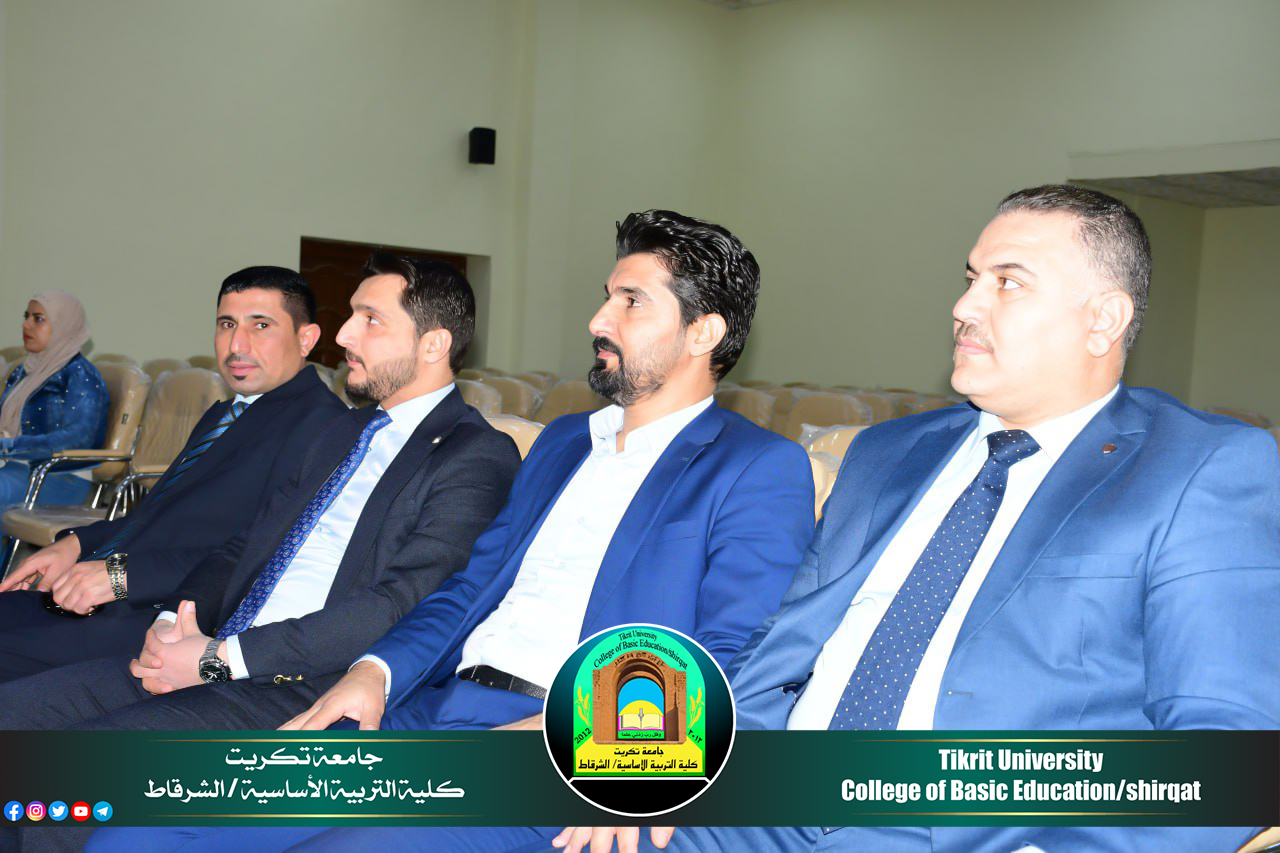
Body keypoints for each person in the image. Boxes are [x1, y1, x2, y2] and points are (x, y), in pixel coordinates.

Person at [570, 186, 1280, 853]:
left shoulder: (1197, 468)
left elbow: (1228, 745)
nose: (965, 306)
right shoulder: (888, 454)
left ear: (1103, 320)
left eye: (1008, 282)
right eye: (970, 278)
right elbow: (775, 650)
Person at [100, 210, 816, 852]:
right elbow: (470, 587)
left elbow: (741, 654)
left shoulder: (755, 466)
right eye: (607, 296)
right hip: (433, 708)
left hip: (557, 743)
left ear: (703, 332)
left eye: (631, 301)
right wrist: (375, 671)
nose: (599, 318)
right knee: (150, 823)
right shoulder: (565, 441)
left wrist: (613, 750)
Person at [0, 252, 521, 734]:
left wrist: (220, 659)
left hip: (296, 684)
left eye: (370, 319)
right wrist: (172, 624)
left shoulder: (474, 454)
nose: (344, 334)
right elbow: (245, 546)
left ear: (434, 344)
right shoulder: (342, 432)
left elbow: (400, 604)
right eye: (351, 315)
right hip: (212, 646)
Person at [0, 267, 346, 682]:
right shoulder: (227, 413)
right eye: (227, 324)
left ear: (306, 338)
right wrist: (76, 544)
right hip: (107, 594)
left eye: (261, 326)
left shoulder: (324, 427)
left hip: (168, 621)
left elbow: (260, 556)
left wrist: (121, 577)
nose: (237, 345)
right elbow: (157, 517)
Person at [0, 291, 108, 507]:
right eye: (27, 316)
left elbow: (79, 438)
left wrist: (10, 445)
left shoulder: (80, 374)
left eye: (38, 319)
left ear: (63, 325)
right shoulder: (25, 371)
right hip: (14, 466)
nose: (26, 325)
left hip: (59, 477)